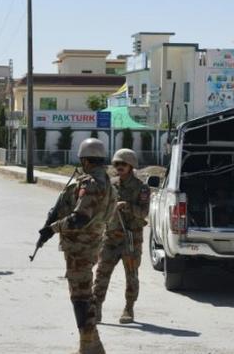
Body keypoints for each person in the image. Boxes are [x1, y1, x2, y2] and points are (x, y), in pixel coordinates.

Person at [38, 138, 116, 354]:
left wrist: (52, 228)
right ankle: (92, 344)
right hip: (90, 244)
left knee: (80, 298)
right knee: (84, 295)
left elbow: (80, 218)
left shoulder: (90, 183)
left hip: (80, 248)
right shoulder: (106, 181)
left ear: (85, 160)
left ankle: (88, 347)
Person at [92, 148, 149, 324]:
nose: (119, 167)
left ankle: (129, 308)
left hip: (130, 238)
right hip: (110, 238)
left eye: (123, 164)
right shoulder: (111, 185)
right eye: (116, 164)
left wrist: (128, 206)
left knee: (131, 274)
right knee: (102, 273)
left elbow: (144, 213)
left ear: (131, 166)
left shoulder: (141, 188)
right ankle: (97, 307)